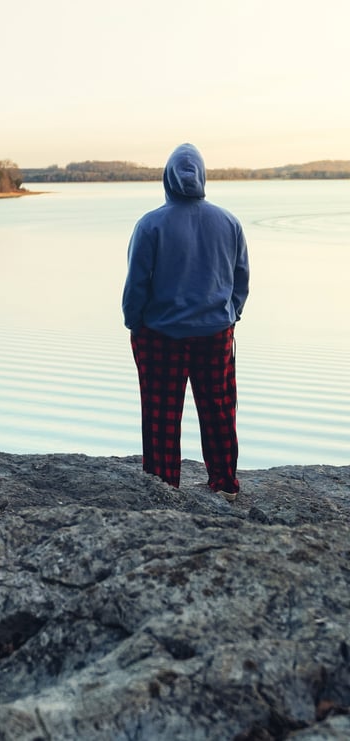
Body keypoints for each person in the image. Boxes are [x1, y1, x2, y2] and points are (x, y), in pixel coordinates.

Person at [121, 142, 249, 498]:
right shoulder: (229, 222)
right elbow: (241, 281)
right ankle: (224, 483)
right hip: (215, 334)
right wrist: (230, 315)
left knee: (161, 415)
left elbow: (136, 285)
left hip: (160, 336)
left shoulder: (150, 225)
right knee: (219, 412)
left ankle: (163, 488)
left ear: (167, 180)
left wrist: (135, 323)